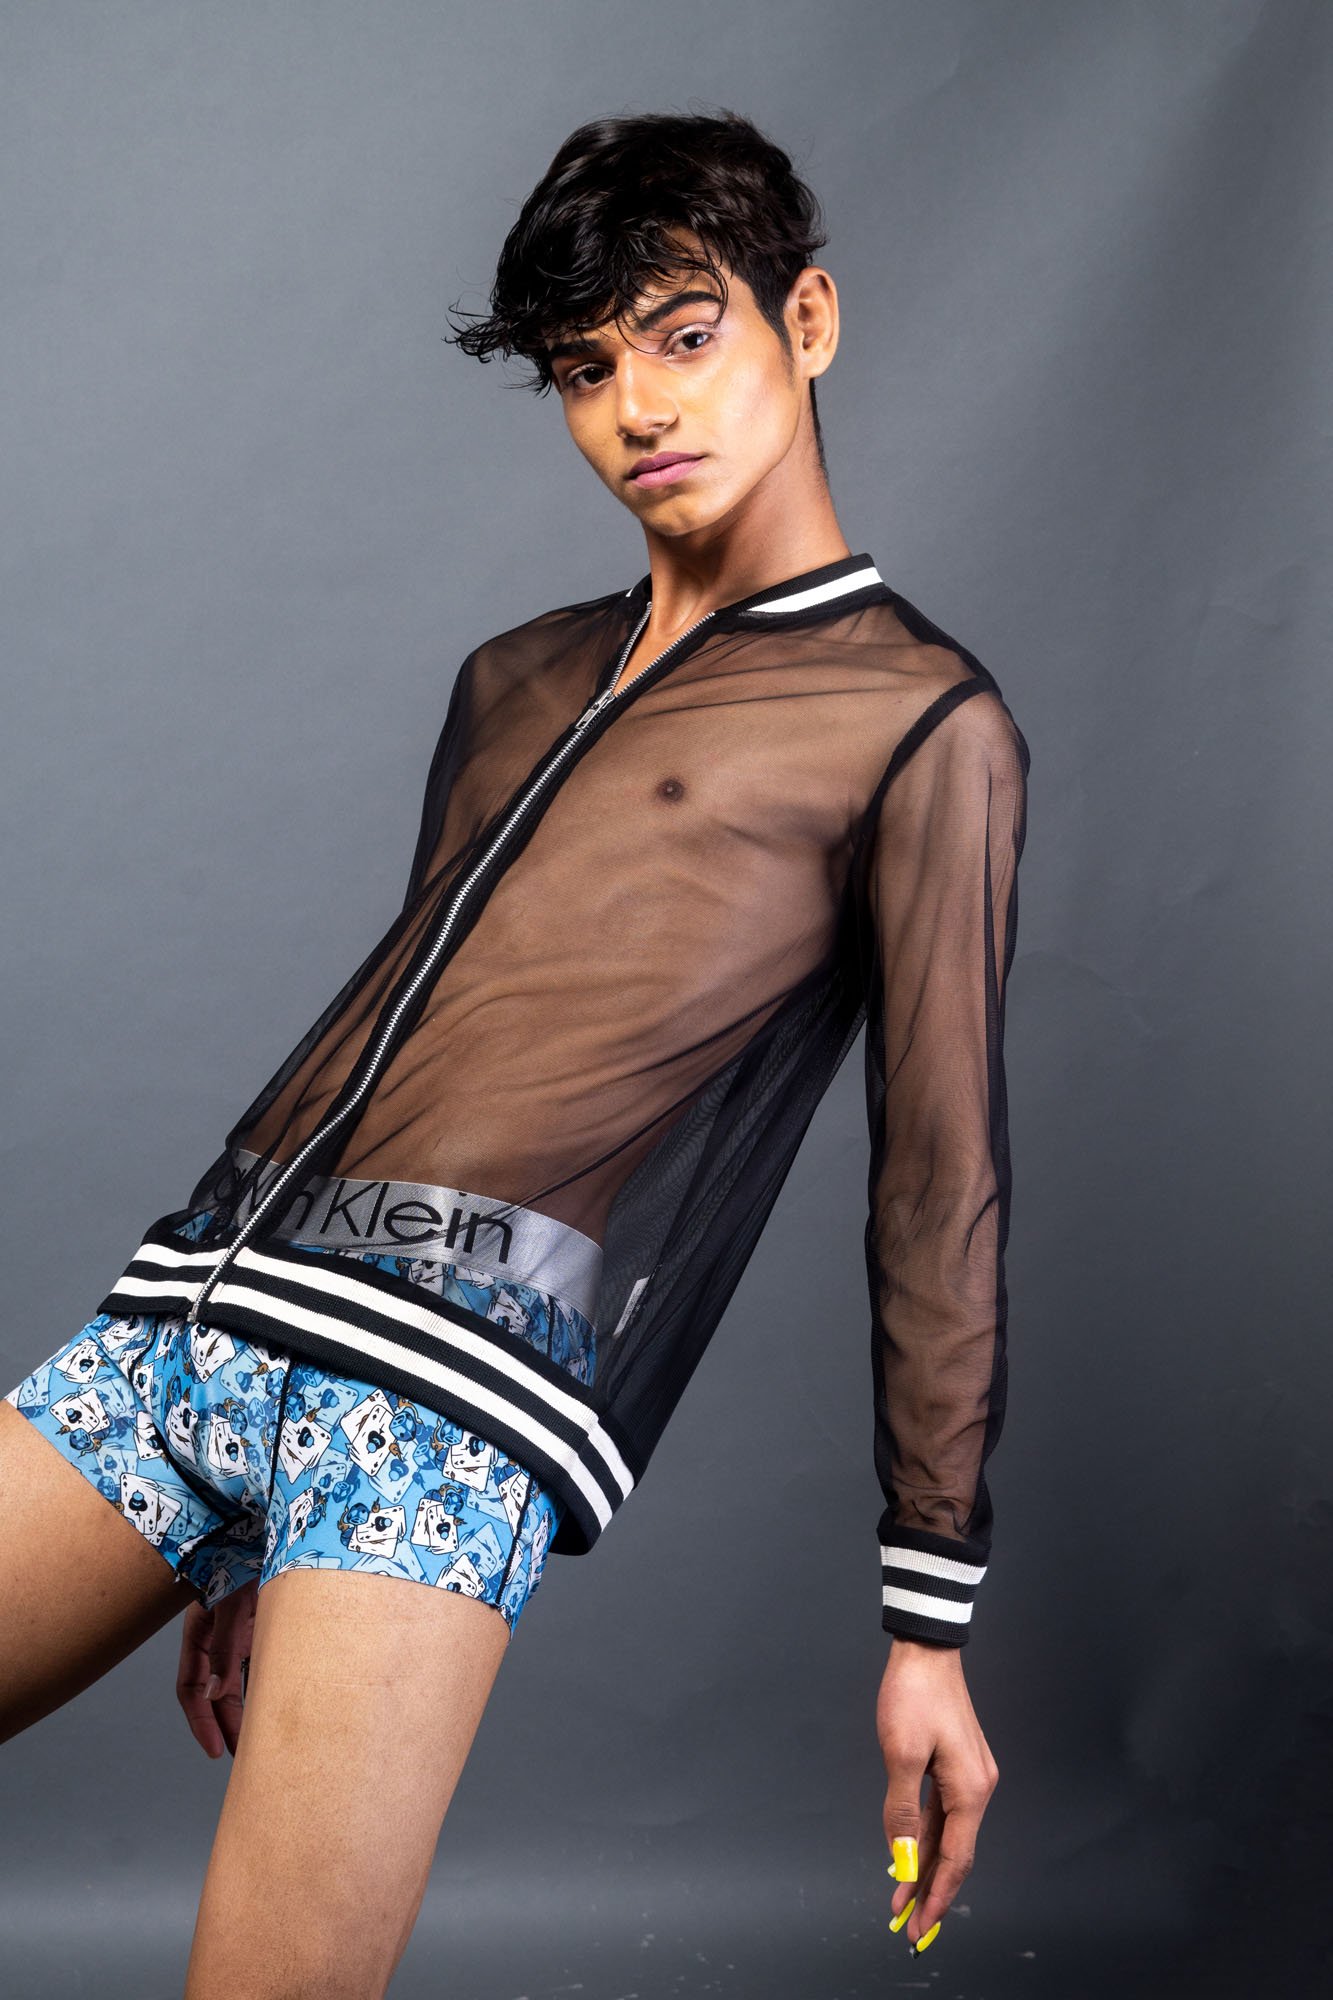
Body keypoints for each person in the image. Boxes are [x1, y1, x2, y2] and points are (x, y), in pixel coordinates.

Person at [0, 107, 1029, 1995]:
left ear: (805, 319)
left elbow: (938, 1182)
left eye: (683, 335)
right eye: (583, 368)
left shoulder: (913, 719)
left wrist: (927, 1622)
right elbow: (422, 1034)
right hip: (190, 1320)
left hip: (436, 1409)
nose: (639, 406)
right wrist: (236, 1545)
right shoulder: (515, 674)